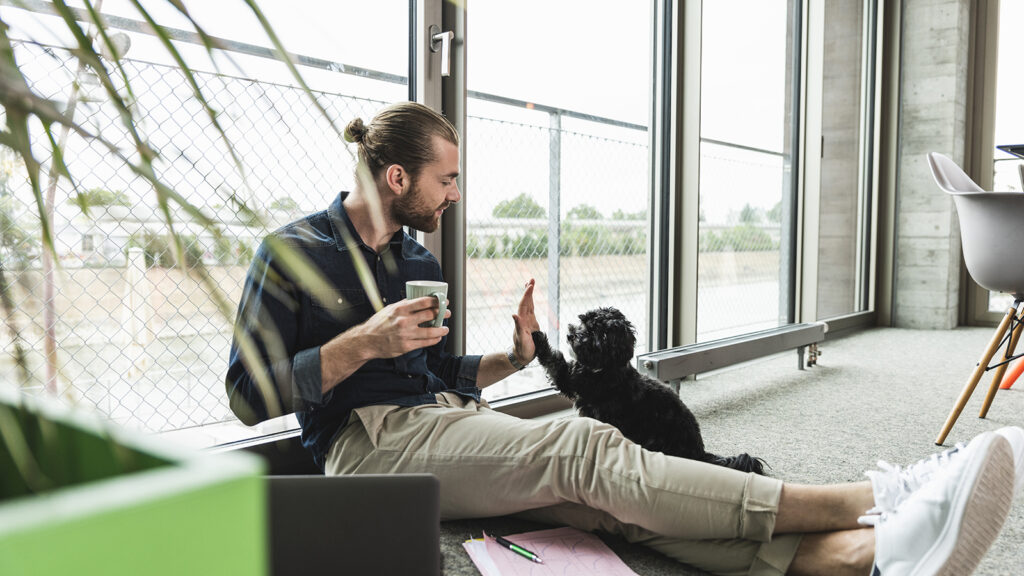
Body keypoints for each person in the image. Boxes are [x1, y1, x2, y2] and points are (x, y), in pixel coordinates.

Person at [226, 101, 1022, 576]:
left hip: (439, 419)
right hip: (363, 449)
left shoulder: (416, 257)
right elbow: (244, 395)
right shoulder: (292, 253)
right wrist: (361, 343)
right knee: (585, 447)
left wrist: (515, 355)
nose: (457, 194)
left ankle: (860, 558)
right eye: (447, 179)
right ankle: (881, 499)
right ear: (397, 178)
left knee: (597, 499)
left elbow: (438, 371)